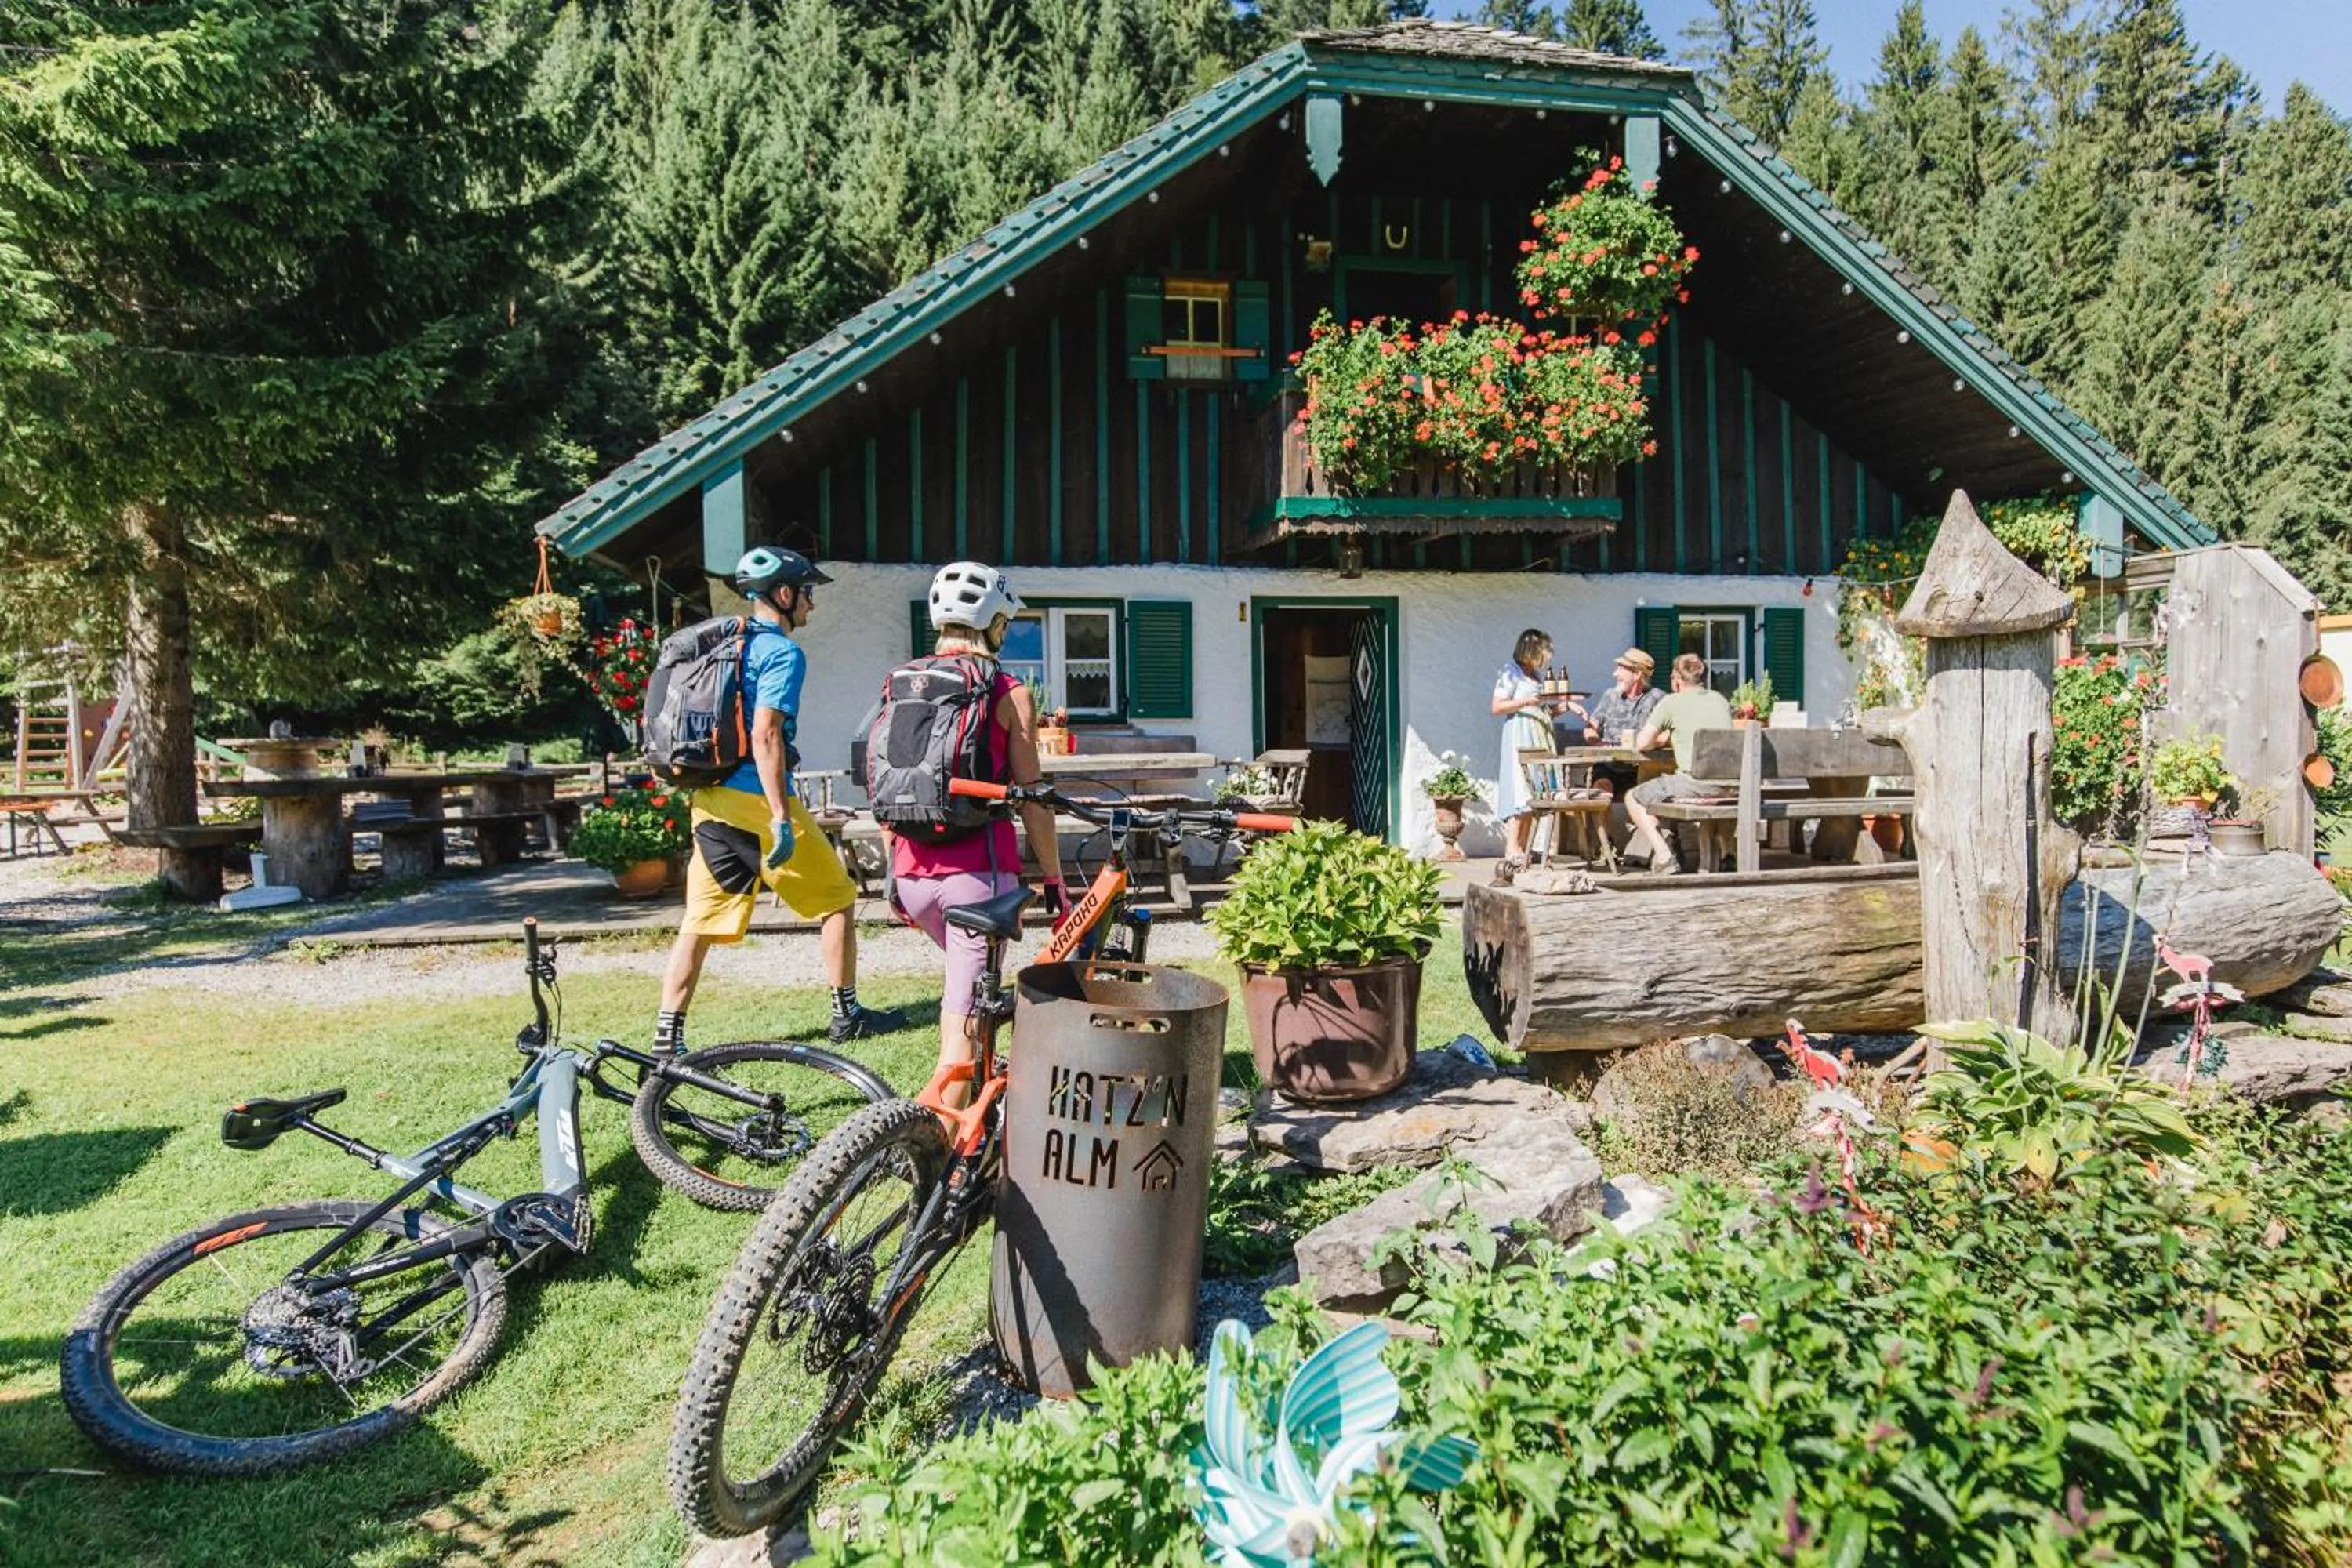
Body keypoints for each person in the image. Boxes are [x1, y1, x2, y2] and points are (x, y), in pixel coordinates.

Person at [654, 546, 903, 1053]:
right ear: (785, 594)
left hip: (710, 799)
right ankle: (847, 1015)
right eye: (807, 593)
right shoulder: (782, 653)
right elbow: (766, 734)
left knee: (699, 921)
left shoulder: (728, 646)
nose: (812, 603)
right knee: (838, 897)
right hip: (755, 801)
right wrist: (780, 816)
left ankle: (666, 1038)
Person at [888, 561, 1065, 1105]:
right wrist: (1054, 880)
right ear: (996, 626)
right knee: (960, 1035)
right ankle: (939, 1144)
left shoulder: (904, 683)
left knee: (973, 996)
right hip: (977, 879)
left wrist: (893, 872)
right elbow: (1032, 799)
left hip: (910, 876)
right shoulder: (1008, 692)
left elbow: (892, 783)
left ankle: (979, 1107)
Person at [1622, 652, 1734, 877]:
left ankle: (1664, 856)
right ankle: (1728, 853)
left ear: (1677, 680)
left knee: (1633, 798)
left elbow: (1641, 743)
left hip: (1695, 783)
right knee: (1717, 790)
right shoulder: (1720, 700)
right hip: (1731, 784)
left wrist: (1662, 738)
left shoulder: (1671, 702)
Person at [1489, 628, 1563, 884]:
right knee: (1521, 789)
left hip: (1538, 733)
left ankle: (1525, 848)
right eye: (1544, 652)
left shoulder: (1536, 675)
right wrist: (1526, 703)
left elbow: (1539, 708)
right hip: (1520, 734)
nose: (1547, 657)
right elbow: (1497, 707)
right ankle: (1512, 849)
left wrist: (1560, 708)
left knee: (1534, 792)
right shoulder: (1511, 672)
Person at [1576, 647, 1665, 800]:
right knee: (1602, 788)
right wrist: (1597, 743)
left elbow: (1666, 735)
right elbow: (1590, 728)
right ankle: (1602, 817)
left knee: (1648, 792)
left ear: (1637, 674)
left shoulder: (1658, 698)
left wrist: (1646, 744)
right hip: (1609, 766)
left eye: (1621, 669)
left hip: (1644, 766)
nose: (1615, 674)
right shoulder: (1611, 696)